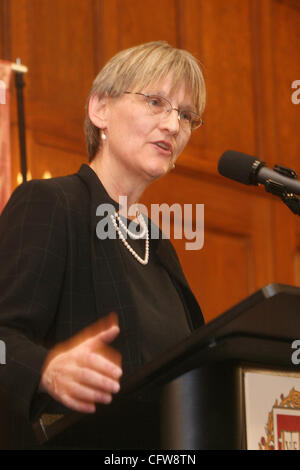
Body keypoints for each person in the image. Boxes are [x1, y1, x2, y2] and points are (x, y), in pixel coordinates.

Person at [0, 40, 206, 448]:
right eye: (155, 102)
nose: (172, 125)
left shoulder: (158, 245)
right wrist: (44, 369)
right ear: (100, 109)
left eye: (185, 115)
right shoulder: (52, 205)